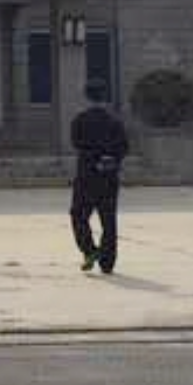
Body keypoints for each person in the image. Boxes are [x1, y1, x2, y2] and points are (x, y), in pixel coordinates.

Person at [69, 99, 130, 273]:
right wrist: (110, 158)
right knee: (108, 220)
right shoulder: (115, 121)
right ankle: (107, 263)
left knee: (78, 215)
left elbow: (76, 143)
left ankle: (89, 250)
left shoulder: (80, 119)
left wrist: (93, 155)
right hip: (108, 176)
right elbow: (124, 147)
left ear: (86, 97)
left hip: (86, 176)